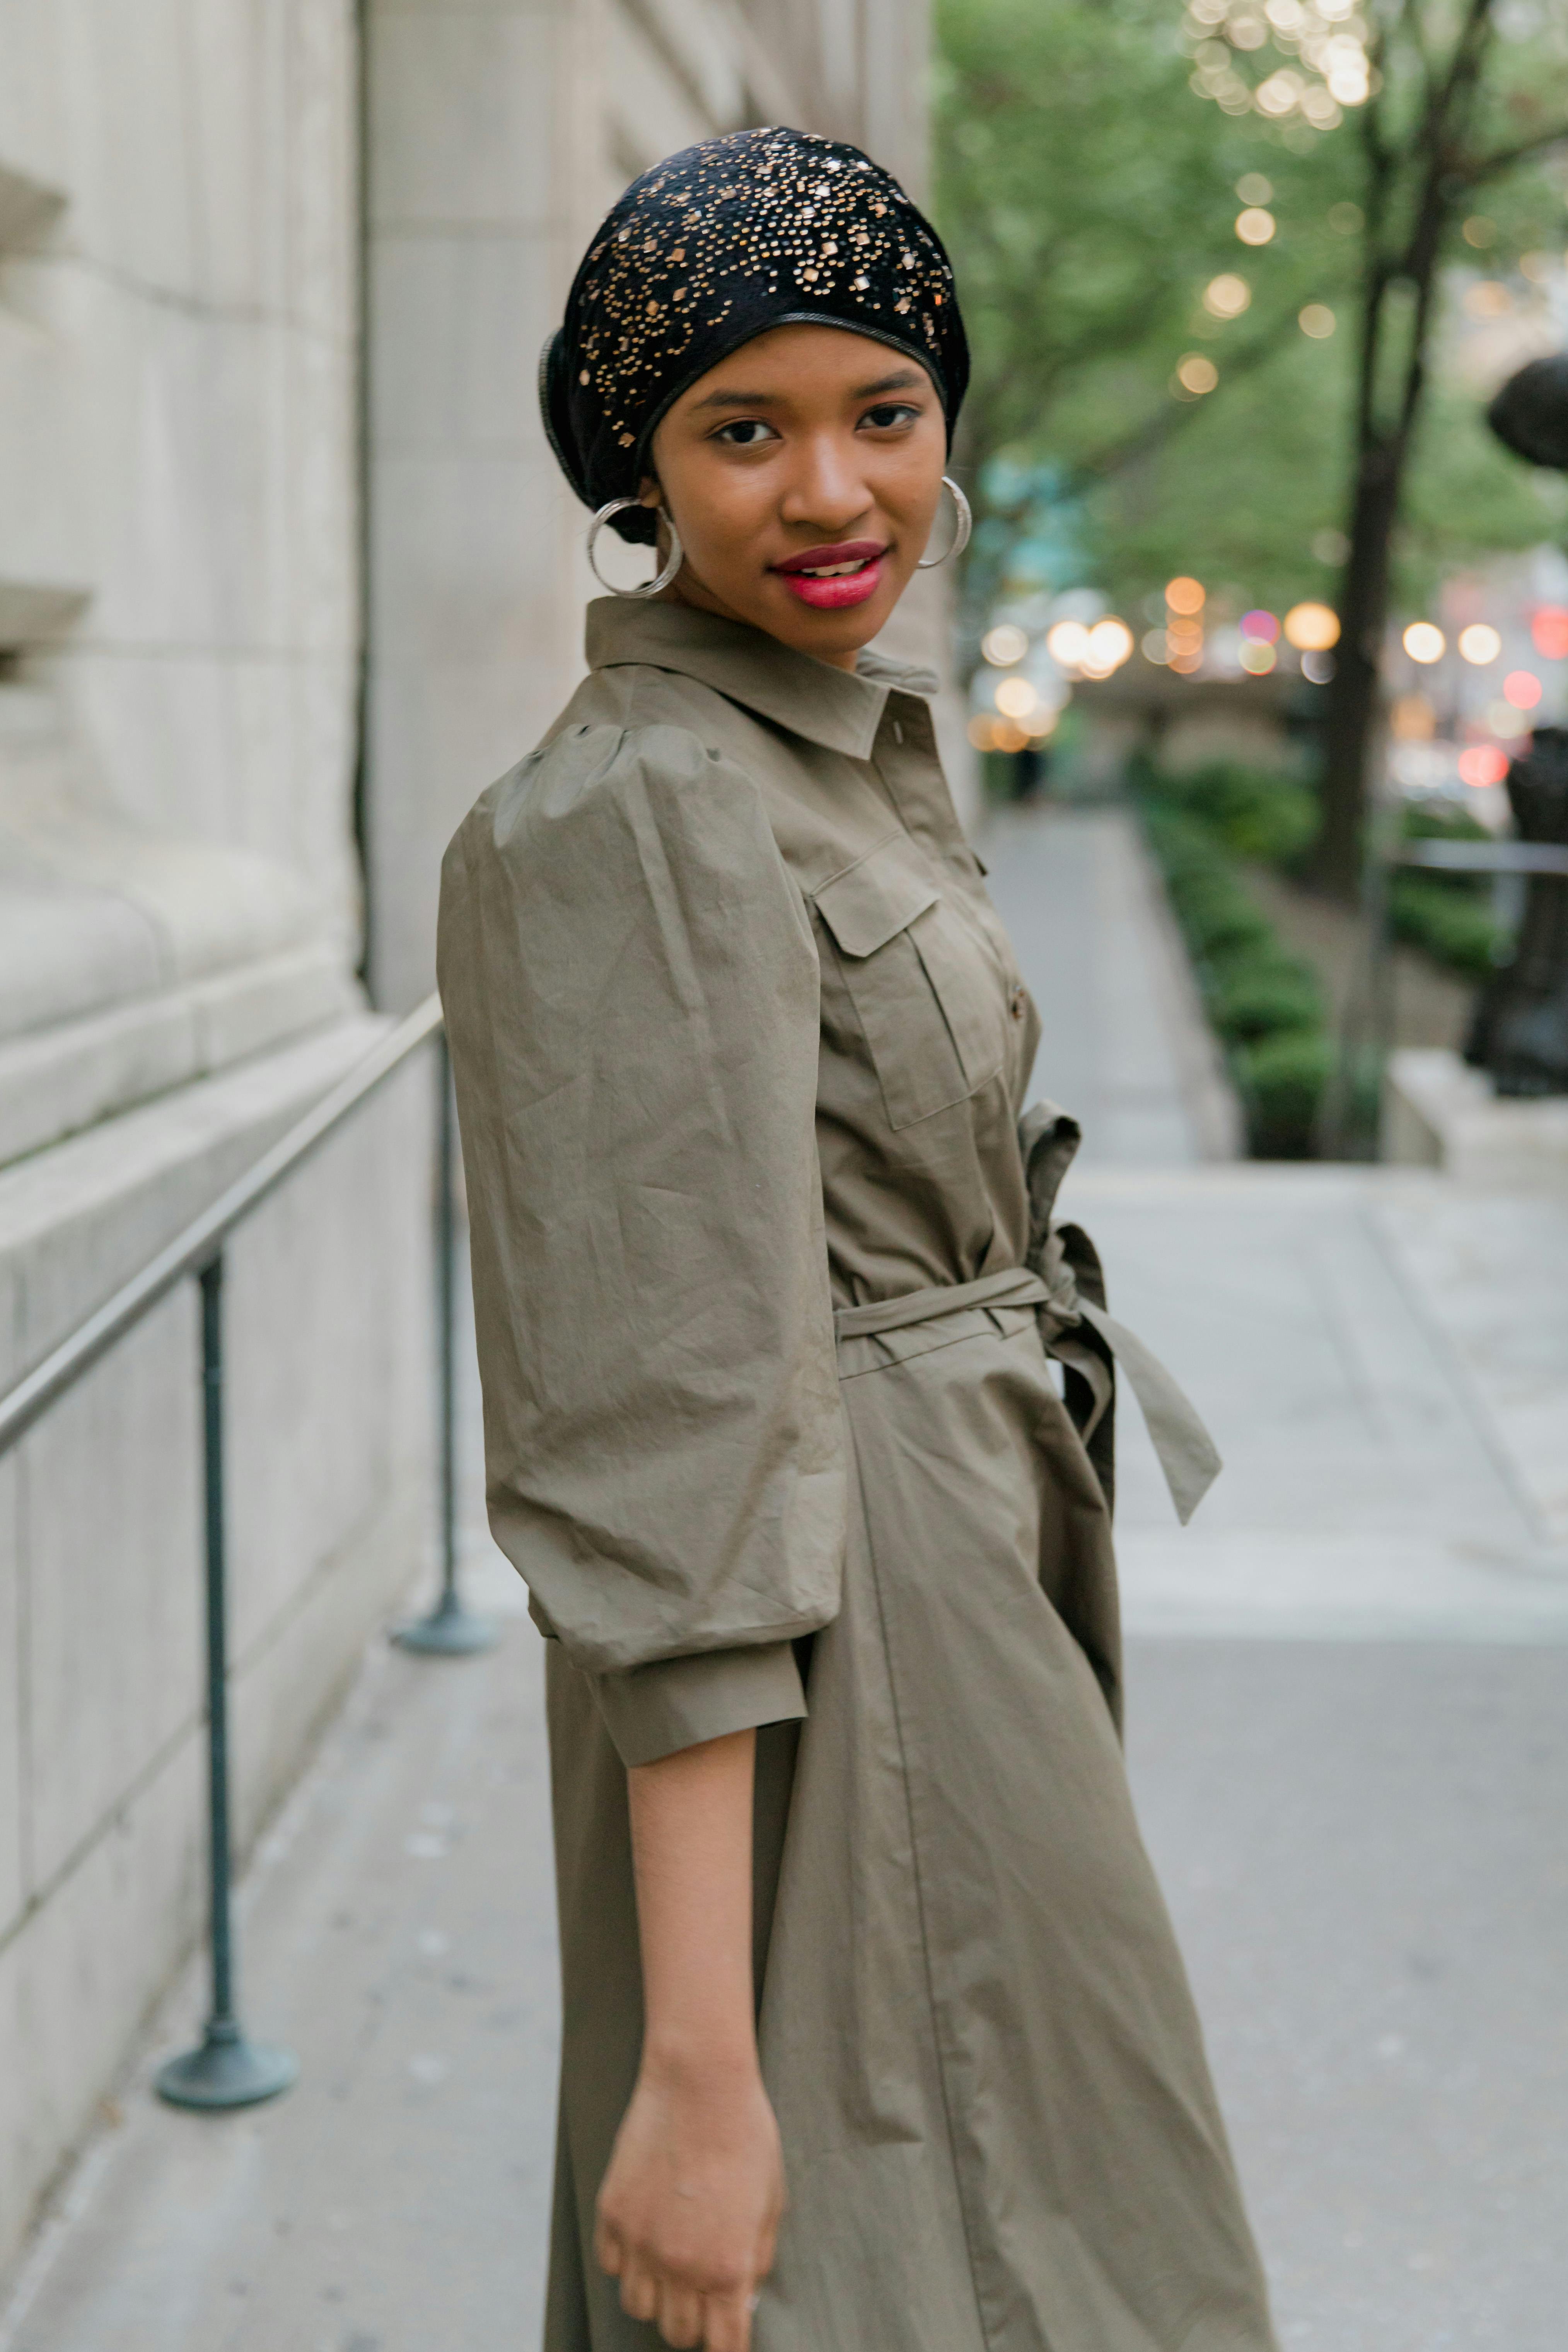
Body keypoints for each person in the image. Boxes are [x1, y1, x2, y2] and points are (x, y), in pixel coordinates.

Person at [438, 126, 1277, 2352]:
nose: (831, 495)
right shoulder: (636, 811)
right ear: (636, 469)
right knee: (909, 2266)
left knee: (1050, 2237)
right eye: (743, 430)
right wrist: (693, 2069)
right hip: (833, 1677)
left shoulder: (826, 746)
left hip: (960, 1597)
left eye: (880, 412)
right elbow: (662, 1454)